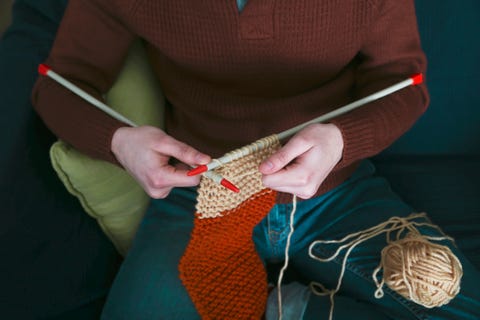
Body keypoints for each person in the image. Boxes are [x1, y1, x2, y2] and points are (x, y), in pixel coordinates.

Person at [31, 0, 480, 319]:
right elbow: (58, 83)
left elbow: (404, 83)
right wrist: (118, 142)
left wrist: (342, 141)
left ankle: (290, 309)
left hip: (334, 191)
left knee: (459, 302)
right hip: (200, 196)